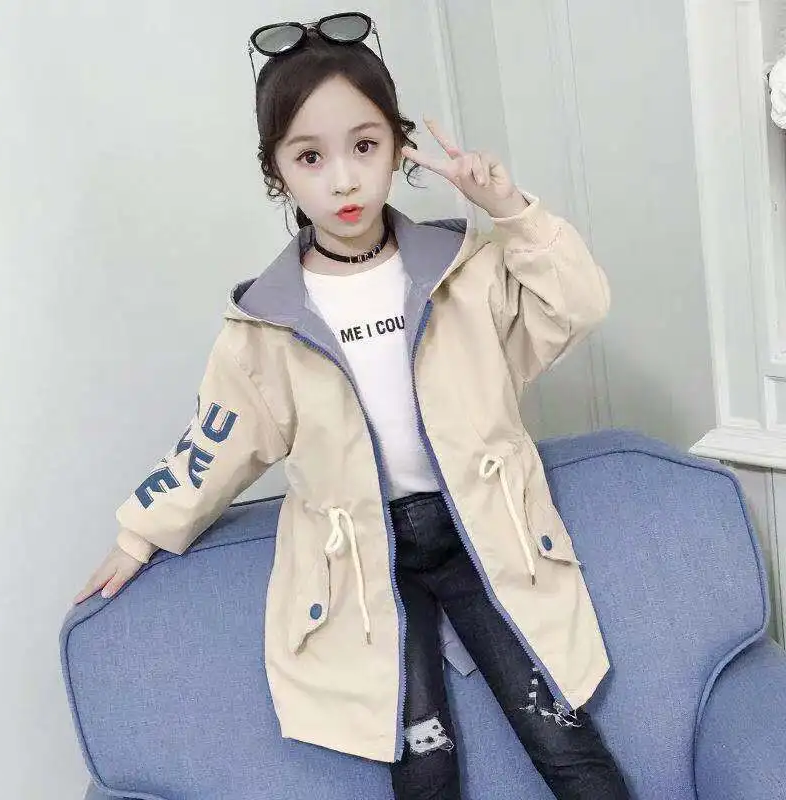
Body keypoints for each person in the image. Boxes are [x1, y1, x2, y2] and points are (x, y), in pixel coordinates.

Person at [74, 12, 629, 800]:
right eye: (310, 156)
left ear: (398, 148)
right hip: (362, 561)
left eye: (365, 146)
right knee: (423, 766)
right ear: (276, 173)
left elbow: (579, 305)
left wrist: (512, 210)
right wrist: (139, 534)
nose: (342, 180)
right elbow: (216, 441)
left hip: (481, 531)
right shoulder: (264, 326)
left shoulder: (465, 271)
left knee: (563, 737)